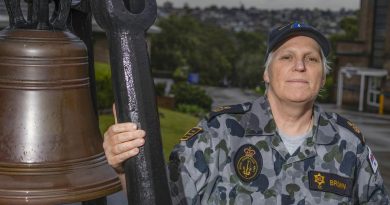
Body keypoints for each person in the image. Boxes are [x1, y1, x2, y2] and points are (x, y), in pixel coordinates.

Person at [103, 21, 389, 204]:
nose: (299, 66)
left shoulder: (349, 144)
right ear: (267, 73)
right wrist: (124, 167)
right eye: (287, 57)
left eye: (311, 59)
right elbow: (160, 197)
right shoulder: (219, 132)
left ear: (323, 78)